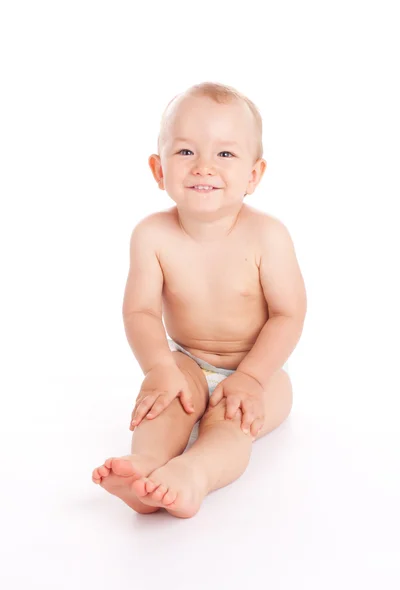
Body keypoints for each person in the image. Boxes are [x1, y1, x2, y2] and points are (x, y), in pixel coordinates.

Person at [92, 82, 307, 519]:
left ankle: (193, 474)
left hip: (259, 368)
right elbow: (141, 310)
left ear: (254, 174)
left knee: (233, 424)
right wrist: (159, 368)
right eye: (186, 152)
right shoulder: (152, 235)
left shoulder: (267, 236)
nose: (203, 166)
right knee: (167, 400)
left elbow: (289, 313)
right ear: (158, 169)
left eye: (225, 154)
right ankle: (146, 467)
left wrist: (250, 377)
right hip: (187, 358)